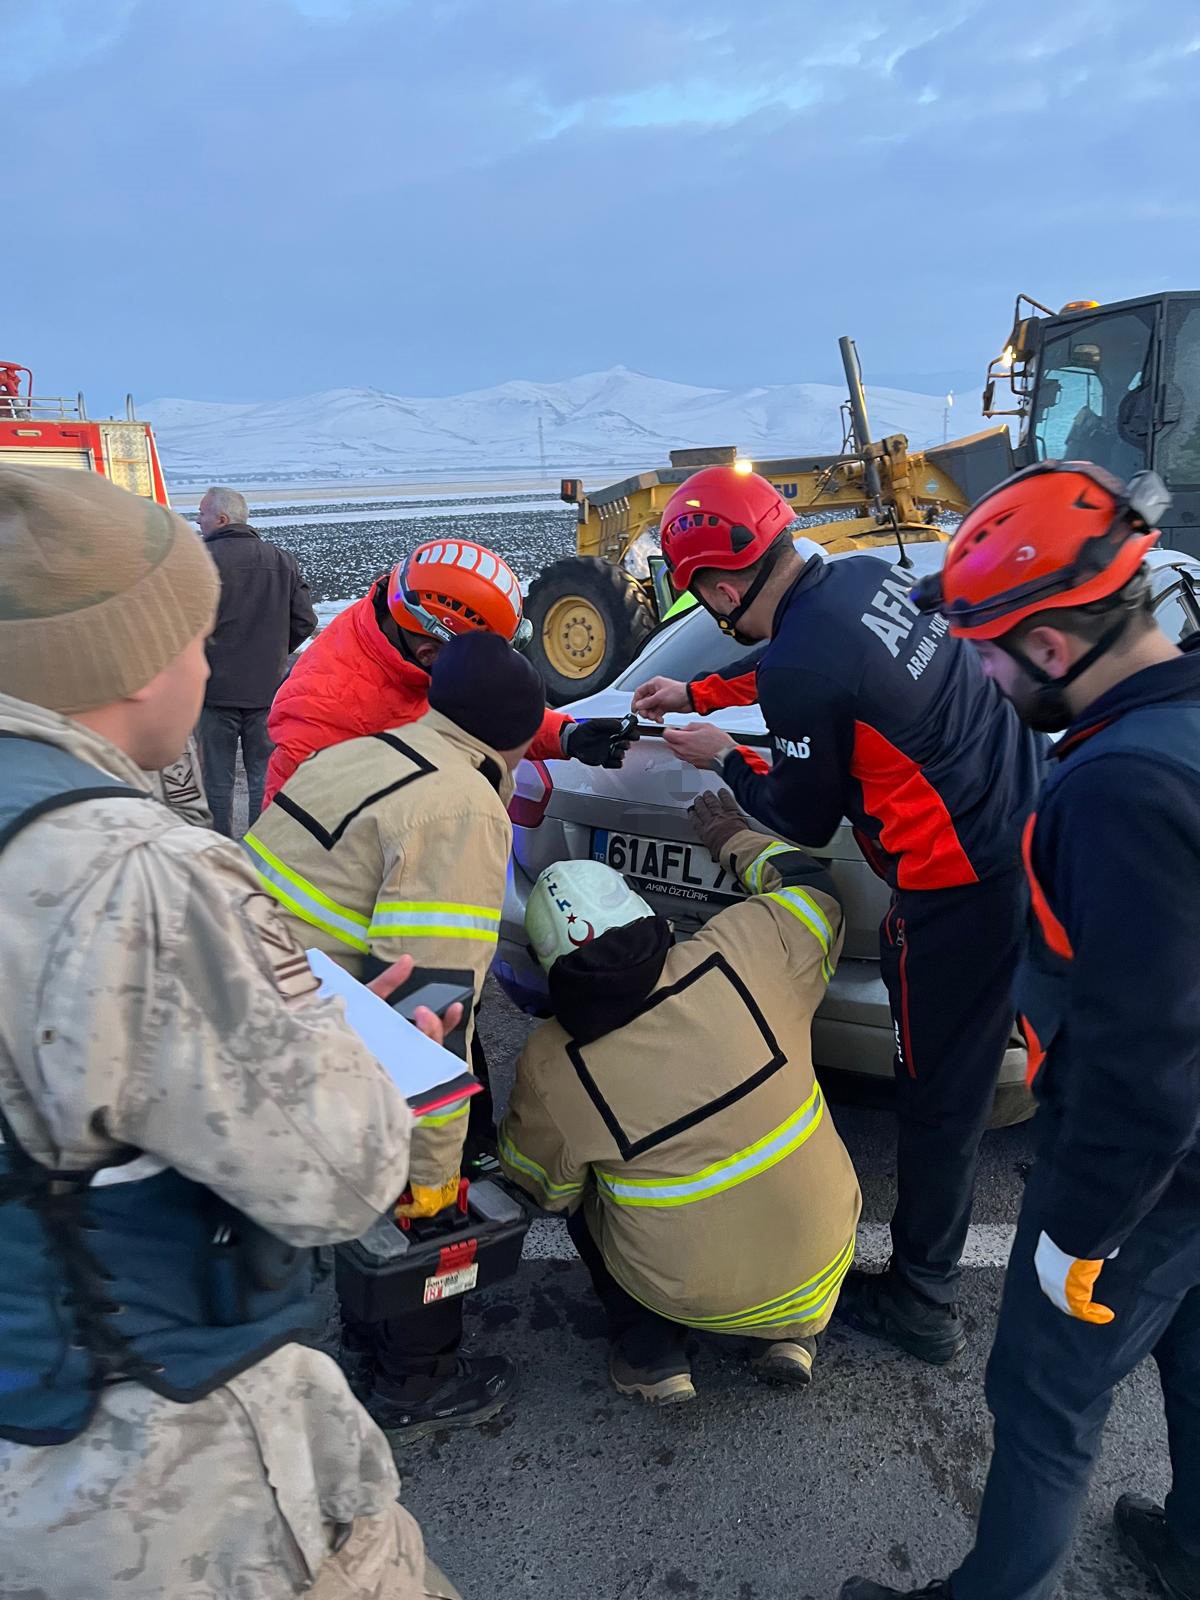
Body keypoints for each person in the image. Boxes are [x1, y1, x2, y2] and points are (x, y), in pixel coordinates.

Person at [0, 465, 460, 1599]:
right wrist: (359, 1038)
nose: (211, 668)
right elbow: (336, 1177)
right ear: (128, 659)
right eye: (195, 639)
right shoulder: (136, 870)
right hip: (145, 1477)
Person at [841, 461, 1200, 1600]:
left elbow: (1147, 1061)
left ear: (1053, 647)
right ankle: (1190, 1545)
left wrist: (1079, 1232)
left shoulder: (1118, 790)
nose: (984, 677)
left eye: (992, 652)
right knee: (1193, 1351)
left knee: (1043, 1397)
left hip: (1147, 1173)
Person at [633, 465, 1043, 1365]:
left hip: (961, 894)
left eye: (702, 597)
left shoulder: (805, 664)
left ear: (724, 584)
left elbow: (799, 813)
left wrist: (718, 760)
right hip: (1018, 827)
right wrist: (697, 694)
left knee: (940, 1099)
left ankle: (925, 1299)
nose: (707, 614)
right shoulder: (859, 578)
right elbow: (797, 664)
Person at [246, 630, 547, 1441]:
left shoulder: (364, 752)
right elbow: (429, 1022)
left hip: (252, 1004)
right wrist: (433, 1182)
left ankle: (362, 1314)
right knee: (417, 1197)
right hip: (314, 1033)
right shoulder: (460, 809)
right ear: (520, 727)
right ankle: (417, 1378)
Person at [499, 790, 861, 1403]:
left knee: (582, 1184)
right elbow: (811, 888)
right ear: (644, 913)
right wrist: (730, 838)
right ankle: (793, 1333)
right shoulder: (747, 946)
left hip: (682, 1289)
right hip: (824, 1263)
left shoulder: (551, 1064)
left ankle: (650, 1354)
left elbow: (543, 1188)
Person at [264, 536, 634, 806]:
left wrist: (567, 735)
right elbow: (287, 845)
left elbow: (490, 710)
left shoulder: (407, 643)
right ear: (429, 652)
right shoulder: (321, 710)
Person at [197, 485, 317, 835]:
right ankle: (260, 854)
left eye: (201, 514)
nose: (198, 521)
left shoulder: (200, 562)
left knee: (216, 782)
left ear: (221, 519)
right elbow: (305, 621)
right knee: (262, 778)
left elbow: (178, 625)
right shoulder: (282, 560)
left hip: (213, 693)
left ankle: (219, 855)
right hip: (267, 691)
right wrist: (275, 653)